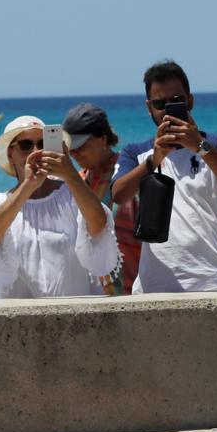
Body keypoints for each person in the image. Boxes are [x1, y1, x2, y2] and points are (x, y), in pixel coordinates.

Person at [111, 61, 217, 293]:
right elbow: (118, 194)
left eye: (176, 101)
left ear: (190, 101)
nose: (167, 109)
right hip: (152, 285)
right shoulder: (136, 153)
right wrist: (154, 159)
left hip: (211, 281)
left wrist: (200, 146)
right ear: (149, 107)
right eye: (159, 103)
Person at [0, 116, 118, 298]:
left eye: (42, 144)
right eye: (26, 145)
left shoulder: (72, 194)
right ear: (11, 155)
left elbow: (99, 226)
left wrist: (69, 172)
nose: (36, 151)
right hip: (20, 320)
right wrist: (28, 186)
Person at [62, 103, 139, 293]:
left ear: (103, 139)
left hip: (137, 292)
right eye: (70, 147)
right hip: (92, 297)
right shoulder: (76, 183)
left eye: (81, 146)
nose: (74, 153)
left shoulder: (129, 176)